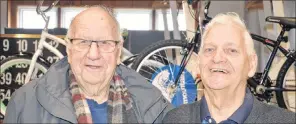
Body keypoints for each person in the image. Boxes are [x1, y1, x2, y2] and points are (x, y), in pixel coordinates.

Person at [4, 6, 173, 123]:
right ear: (69, 50)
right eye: (83, 42)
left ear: (118, 51)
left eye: (105, 42)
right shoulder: (24, 103)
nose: (93, 54)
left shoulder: (154, 105)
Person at [163, 12, 295, 123]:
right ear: (198, 63)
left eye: (231, 50)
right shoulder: (174, 119)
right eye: (209, 49)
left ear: (251, 64)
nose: (217, 58)